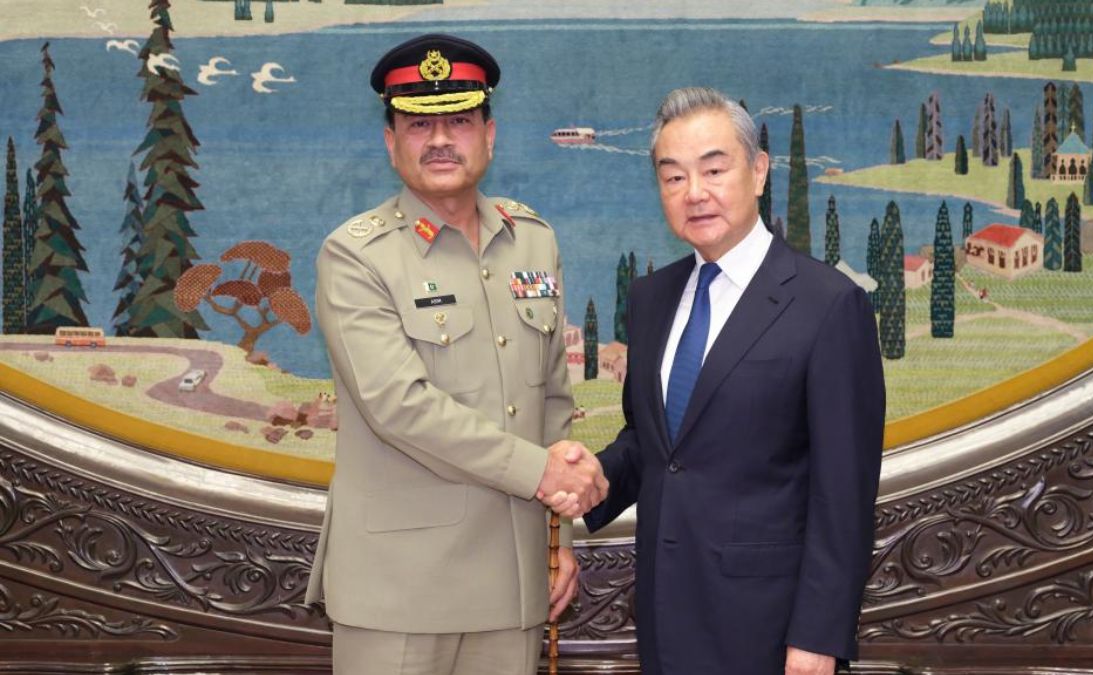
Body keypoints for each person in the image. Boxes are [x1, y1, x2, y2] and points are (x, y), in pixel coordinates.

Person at [304, 33, 607, 675]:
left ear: (489, 136)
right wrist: (545, 476)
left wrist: (559, 541)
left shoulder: (533, 242)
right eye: (418, 124)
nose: (440, 140)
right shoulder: (356, 256)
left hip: (514, 581)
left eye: (460, 121)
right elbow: (399, 407)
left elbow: (553, 400)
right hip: (400, 590)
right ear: (391, 143)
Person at [579, 87, 885, 675]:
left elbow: (842, 491)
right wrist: (598, 477)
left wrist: (818, 638)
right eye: (673, 178)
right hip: (666, 616)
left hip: (769, 632)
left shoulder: (827, 304)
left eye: (714, 169)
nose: (695, 193)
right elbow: (654, 442)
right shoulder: (652, 298)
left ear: (759, 171)